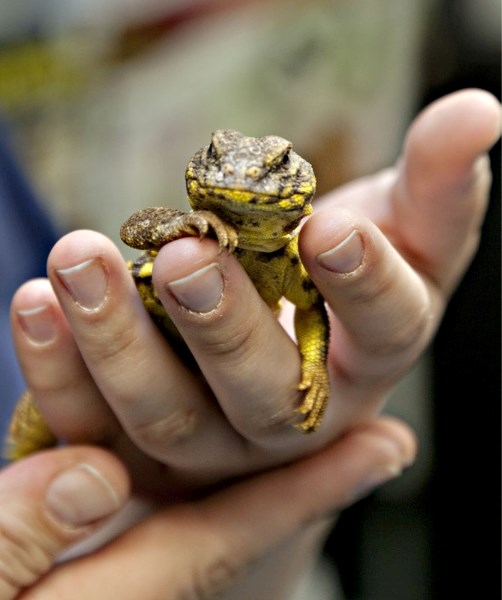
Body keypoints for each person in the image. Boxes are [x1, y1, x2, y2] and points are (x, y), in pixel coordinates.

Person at [1, 89, 500, 600]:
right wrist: (178, 227)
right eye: (219, 161)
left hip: (191, 407)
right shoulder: (187, 235)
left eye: (274, 167)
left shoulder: (288, 263)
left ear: (298, 180)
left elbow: (311, 309)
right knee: (32, 423)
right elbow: (134, 228)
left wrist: (315, 368)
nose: (239, 179)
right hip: (96, 361)